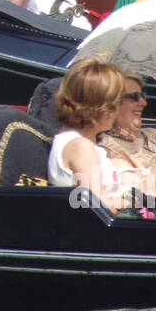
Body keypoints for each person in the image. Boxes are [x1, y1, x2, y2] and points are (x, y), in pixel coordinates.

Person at [97, 72, 156, 200]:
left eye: (143, 95)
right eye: (134, 97)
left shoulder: (154, 134)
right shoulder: (106, 146)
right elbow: (140, 198)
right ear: (113, 103)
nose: (143, 102)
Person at [47, 58, 124, 209]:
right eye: (118, 101)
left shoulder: (84, 143)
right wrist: (141, 204)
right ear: (103, 107)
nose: (119, 109)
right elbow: (99, 206)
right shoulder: (80, 147)